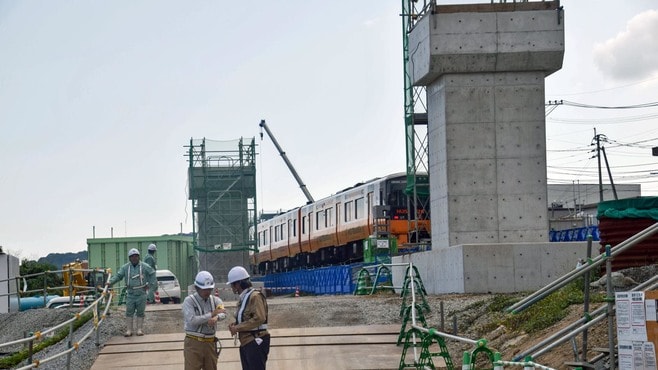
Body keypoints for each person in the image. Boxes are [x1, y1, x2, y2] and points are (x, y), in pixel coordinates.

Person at [182, 271, 227, 370]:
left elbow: (223, 312)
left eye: (209, 289)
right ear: (197, 288)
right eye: (204, 289)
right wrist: (211, 314)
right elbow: (192, 320)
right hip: (193, 342)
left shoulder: (215, 300)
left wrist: (217, 318)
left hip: (210, 343)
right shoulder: (189, 301)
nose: (207, 292)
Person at [106, 248, 156, 336]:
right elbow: (118, 276)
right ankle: (129, 330)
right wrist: (110, 282)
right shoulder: (125, 267)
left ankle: (139, 329)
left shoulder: (144, 266)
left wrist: (151, 285)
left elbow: (152, 273)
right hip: (130, 293)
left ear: (139, 257)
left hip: (141, 292)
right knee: (129, 311)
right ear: (129, 258)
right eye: (132, 256)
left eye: (136, 256)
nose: (134, 258)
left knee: (140, 312)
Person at [227, 266, 270, 370]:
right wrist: (233, 323)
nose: (232, 287)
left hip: (255, 341)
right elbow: (239, 315)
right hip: (246, 343)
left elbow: (259, 318)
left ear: (238, 284)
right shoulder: (244, 298)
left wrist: (237, 328)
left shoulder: (255, 296)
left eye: (232, 284)